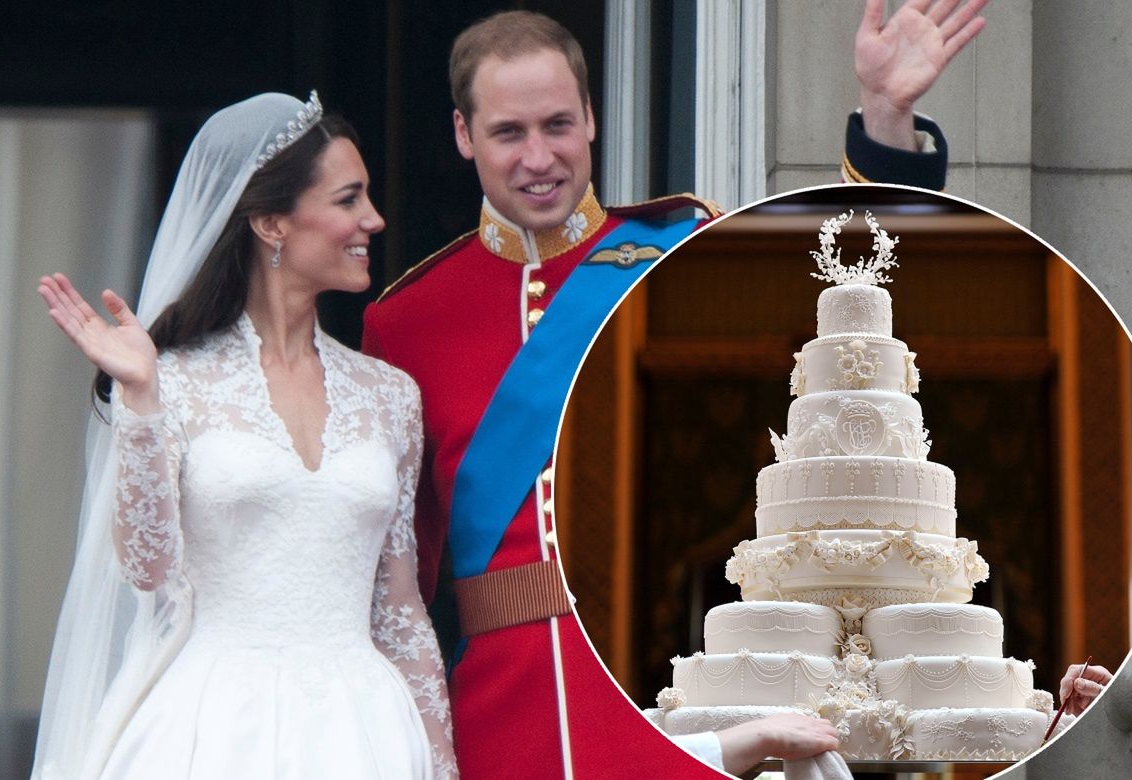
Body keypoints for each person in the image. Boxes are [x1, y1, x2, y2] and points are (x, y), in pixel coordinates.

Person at [362, 4, 987, 777]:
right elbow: (393, 576)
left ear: (591, 118)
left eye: (558, 124)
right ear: (464, 135)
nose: (539, 157)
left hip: (667, 693)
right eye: (508, 132)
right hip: (499, 717)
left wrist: (886, 116)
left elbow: (847, 270)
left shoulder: (674, 251)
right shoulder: (407, 320)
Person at [31, 92, 456, 779]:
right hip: (213, 727)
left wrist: (441, 762)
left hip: (365, 731)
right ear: (270, 223)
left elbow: (399, 606)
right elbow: (148, 570)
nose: (372, 220)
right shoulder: (175, 380)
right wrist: (140, 398)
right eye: (348, 199)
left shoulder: (391, 397)